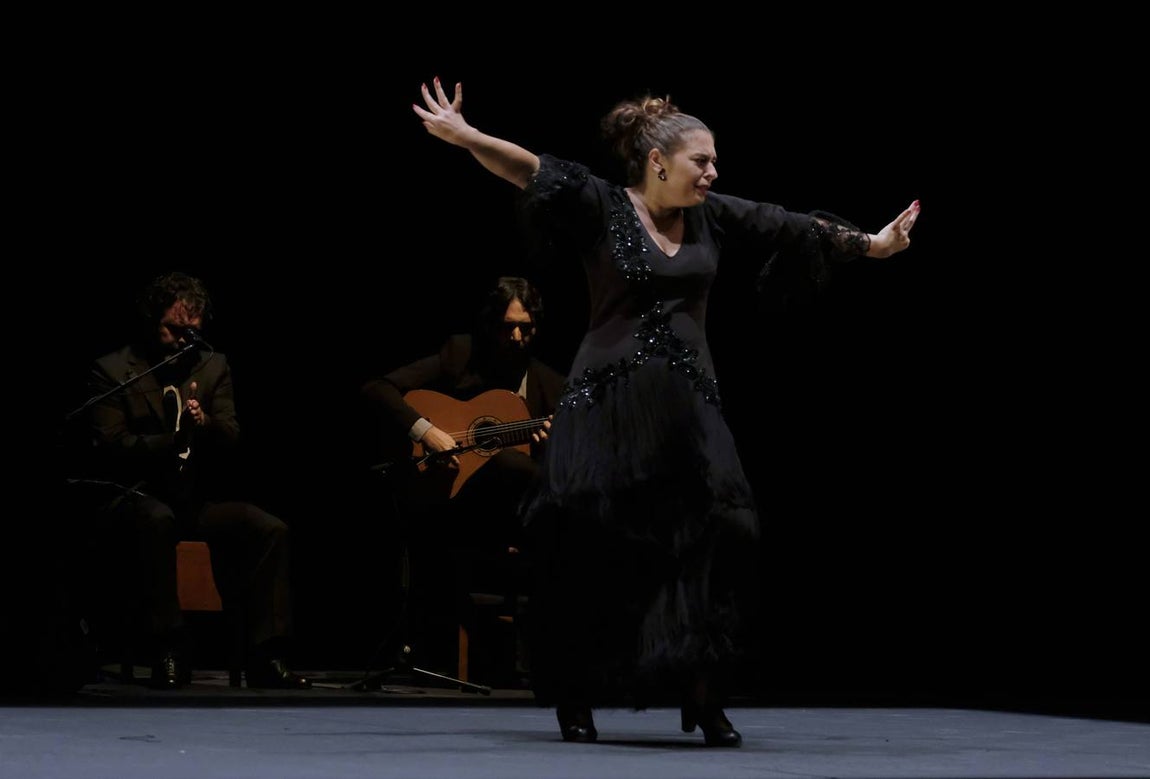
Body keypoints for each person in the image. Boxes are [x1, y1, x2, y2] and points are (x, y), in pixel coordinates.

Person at [412, 77, 920, 746]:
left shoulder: (712, 216)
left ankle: (704, 695)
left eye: (713, 161)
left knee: (725, 530)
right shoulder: (602, 205)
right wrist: (464, 135)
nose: (713, 171)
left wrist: (873, 246)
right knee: (592, 543)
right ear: (658, 161)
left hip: (688, 404)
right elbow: (529, 169)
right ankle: (576, 694)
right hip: (607, 402)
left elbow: (790, 223)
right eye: (701, 160)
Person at [74, 271, 311, 690]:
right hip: (135, 495)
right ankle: (169, 649)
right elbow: (112, 446)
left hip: (193, 500)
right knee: (156, 519)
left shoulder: (212, 364)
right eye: (174, 329)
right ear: (151, 319)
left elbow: (233, 433)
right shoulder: (113, 370)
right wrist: (174, 439)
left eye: (193, 332)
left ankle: (266, 655)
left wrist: (204, 425)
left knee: (269, 528)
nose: (184, 340)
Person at [359, 276, 566, 676]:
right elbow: (377, 388)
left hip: (514, 519)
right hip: (451, 507)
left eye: (526, 327)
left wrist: (554, 445)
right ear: (491, 326)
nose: (518, 336)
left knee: (533, 474)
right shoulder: (461, 354)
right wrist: (426, 431)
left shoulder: (553, 387)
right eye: (508, 326)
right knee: (508, 463)